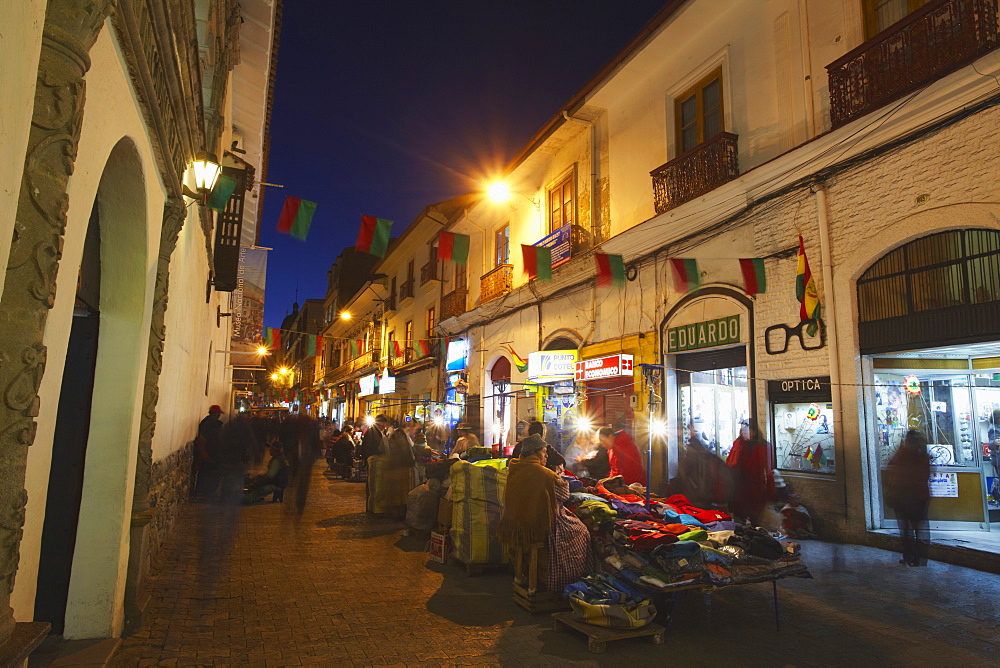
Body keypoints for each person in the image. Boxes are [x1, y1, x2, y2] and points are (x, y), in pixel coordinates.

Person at [497, 433, 590, 592]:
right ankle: (563, 580)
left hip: (515, 523)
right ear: (534, 452)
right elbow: (563, 496)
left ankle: (520, 576)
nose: (546, 456)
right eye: (543, 452)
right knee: (581, 531)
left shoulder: (515, 468)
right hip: (537, 526)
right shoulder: (544, 474)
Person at [886, 429, 931, 567]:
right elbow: (926, 475)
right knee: (920, 528)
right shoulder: (924, 455)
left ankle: (908, 556)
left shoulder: (903, 454)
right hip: (920, 496)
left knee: (906, 529)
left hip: (903, 495)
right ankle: (920, 558)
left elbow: (892, 467)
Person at [726, 419, 775, 524]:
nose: (744, 432)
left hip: (755, 486)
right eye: (742, 430)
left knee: (755, 518)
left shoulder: (763, 446)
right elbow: (730, 462)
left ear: (754, 431)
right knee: (739, 518)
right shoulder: (738, 444)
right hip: (738, 486)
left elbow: (768, 469)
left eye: (747, 430)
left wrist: (769, 489)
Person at [381, 419, 418, 520]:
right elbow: (405, 451)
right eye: (414, 428)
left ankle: (393, 513)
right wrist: (411, 461)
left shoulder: (395, 435)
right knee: (400, 493)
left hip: (393, 466)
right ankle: (398, 513)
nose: (414, 432)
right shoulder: (401, 436)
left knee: (394, 493)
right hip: (399, 467)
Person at [193, 405, 225, 497]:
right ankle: (205, 493)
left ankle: (206, 493)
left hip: (212, 453)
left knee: (208, 474)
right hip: (209, 453)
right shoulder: (208, 425)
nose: (219, 415)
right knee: (209, 474)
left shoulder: (207, 423)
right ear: (214, 413)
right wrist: (203, 453)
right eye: (218, 414)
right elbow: (202, 439)